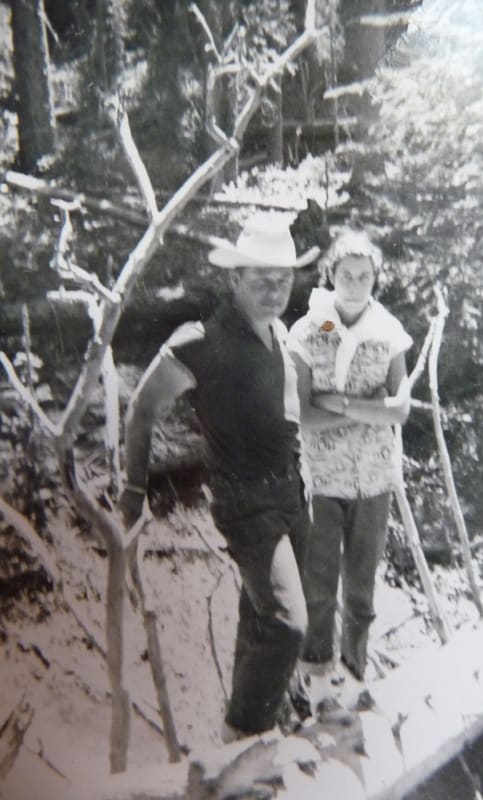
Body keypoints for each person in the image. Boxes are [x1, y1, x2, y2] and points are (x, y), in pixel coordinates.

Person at [120, 212, 319, 739]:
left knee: (259, 623)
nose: (275, 289)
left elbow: (285, 412)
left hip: (294, 494)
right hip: (245, 502)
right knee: (285, 625)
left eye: (283, 278)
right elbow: (141, 410)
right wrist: (132, 491)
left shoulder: (278, 332)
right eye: (261, 278)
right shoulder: (199, 341)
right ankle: (238, 744)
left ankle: (249, 738)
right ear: (234, 279)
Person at [287, 228, 412, 682]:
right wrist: (365, 411)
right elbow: (300, 412)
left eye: (364, 276)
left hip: (374, 480)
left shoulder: (388, 332)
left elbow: (399, 409)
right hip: (321, 480)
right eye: (346, 275)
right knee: (318, 587)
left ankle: (355, 672)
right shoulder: (313, 329)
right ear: (331, 275)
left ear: (376, 278)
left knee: (361, 590)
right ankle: (317, 682)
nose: (356, 284)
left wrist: (338, 404)